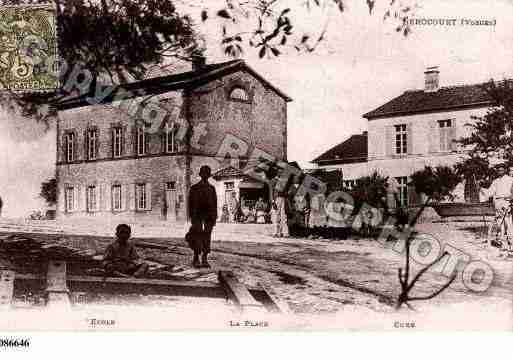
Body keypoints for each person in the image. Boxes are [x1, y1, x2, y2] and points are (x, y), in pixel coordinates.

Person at [186, 165, 218, 268]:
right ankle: (196, 257)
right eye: (203, 173)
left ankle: (204, 258)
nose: (205, 175)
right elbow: (190, 204)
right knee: (197, 236)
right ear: (200, 175)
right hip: (197, 216)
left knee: (207, 237)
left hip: (208, 217)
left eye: (207, 174)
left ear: (208, 176)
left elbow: (214, 204)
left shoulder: (211, 189)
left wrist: (214, 218)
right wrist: (191, 217)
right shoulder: (194, 188)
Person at [480, 164, 513, 249]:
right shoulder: (495, 181)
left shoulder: (510, 180)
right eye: (498, 170)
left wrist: (510, 199)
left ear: (505, 170)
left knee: (507, 222)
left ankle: (510, 241)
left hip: (506, 202)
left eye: (502, 170)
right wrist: (482, 189)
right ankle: (502, 241)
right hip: (498, 203)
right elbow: (490, 192)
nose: (500, 172)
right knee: (499, 222)